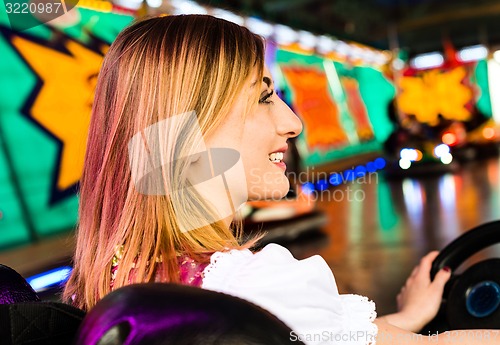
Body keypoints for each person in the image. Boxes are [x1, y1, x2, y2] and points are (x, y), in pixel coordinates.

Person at [63, 15, 494, 344]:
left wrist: (409, 318)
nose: (293, 123)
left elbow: (315, 332)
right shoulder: (247, 285)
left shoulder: (120, 276)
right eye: (264, 97)